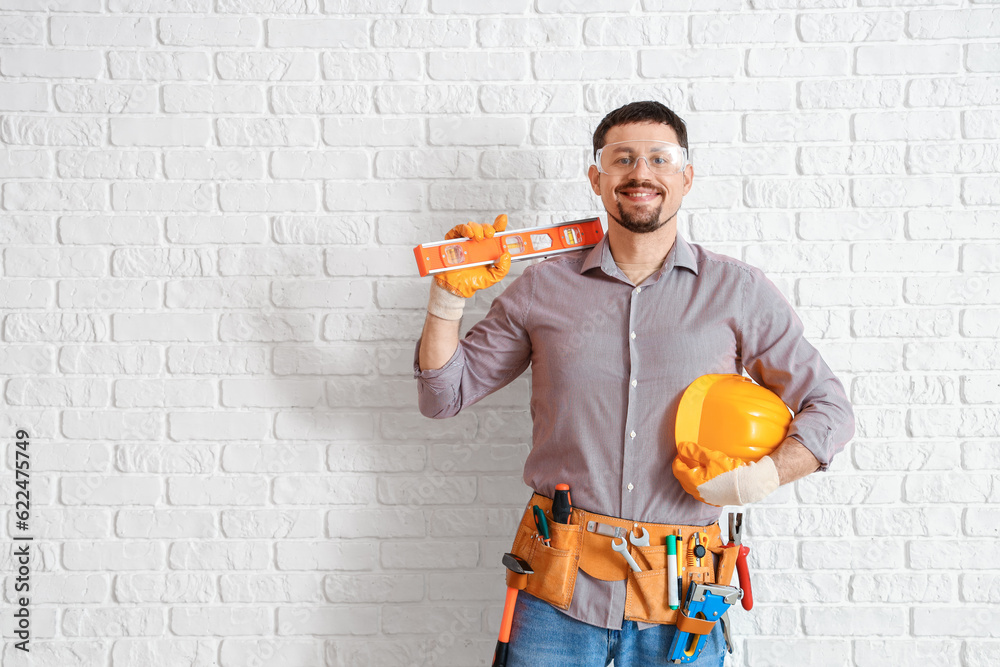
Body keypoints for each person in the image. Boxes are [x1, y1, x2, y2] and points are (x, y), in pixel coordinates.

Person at [413, 101, 855, 666]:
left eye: (659, 159)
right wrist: (449, 300)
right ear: (597, 178)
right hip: (555, 598)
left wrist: (763, 476)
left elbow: (830, 409)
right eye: (621, 159)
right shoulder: (541, 289)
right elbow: (442, 396)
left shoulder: (738, 292)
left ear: (685, 177)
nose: (640, 172)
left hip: (682, 608)